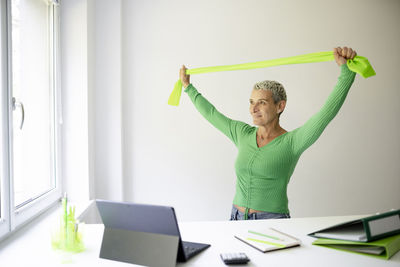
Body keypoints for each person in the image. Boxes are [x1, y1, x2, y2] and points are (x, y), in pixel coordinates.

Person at [179, 47, 357, 220]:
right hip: (236, 217)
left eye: (262, 102)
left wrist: (346, 74)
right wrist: (188, 86)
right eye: (251, 102)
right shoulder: (242, 133)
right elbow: (211, 114)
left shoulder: (292, 142)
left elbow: (325, 114)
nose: (253, 109)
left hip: (272, 220)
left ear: (280, 106)